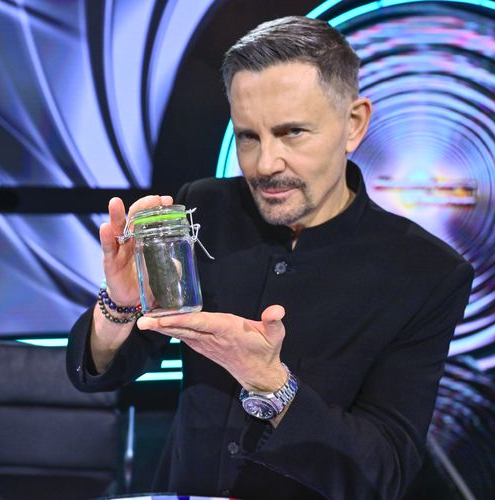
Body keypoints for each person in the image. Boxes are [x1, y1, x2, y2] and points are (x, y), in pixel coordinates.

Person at [67, 16, 474, 499]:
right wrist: (120, 305)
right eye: (248, 136)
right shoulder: (203, 208)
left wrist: (270, 383)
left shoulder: (427, 272)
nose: (265, 164)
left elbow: (382, 471)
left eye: (292, 132)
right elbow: (104, 373)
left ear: (354, 124)